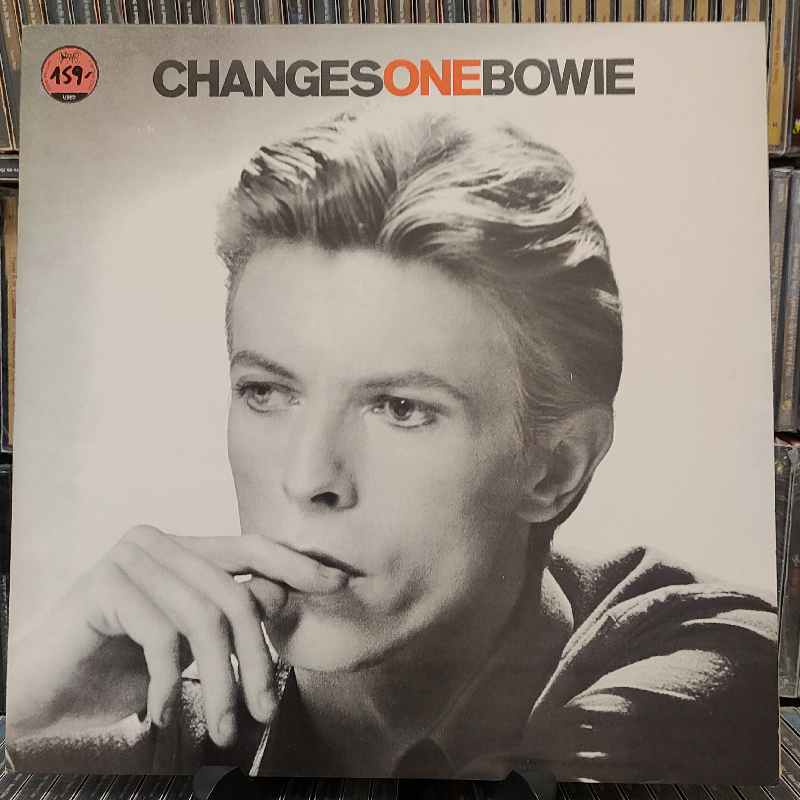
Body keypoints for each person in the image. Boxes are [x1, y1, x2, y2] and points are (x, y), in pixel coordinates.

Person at [6, 109, 777, 785]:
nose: (308, 477)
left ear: (555, 466)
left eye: (402, 409)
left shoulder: (698, 664)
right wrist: (31, 706)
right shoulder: (173, 697)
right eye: (267, 392)